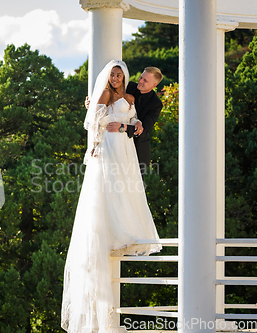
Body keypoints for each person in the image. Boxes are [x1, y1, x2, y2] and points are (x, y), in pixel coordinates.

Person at [61, 60, 161, 333]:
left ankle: (126, 231)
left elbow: (138, 120)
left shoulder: (132, 97)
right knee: (111, 188)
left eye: (120, 74)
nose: (118, 78)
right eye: (113, 74)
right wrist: (96, 111)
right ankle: (110, 232)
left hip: (127, 149)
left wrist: (134, 123)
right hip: (110, 146)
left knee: (127, 190)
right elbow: (93, 120)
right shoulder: (106, 93)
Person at [86, 67, 163, 176]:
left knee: (132, 187)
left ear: (154, 85)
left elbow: (144, 130)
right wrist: (92, 105)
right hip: (113, 143)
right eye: (141, 77)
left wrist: (123, 127)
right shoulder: (129, 86)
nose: (140, 81)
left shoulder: (156, 104)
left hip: (137, 149)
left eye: (145, 80)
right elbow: (107, 102)